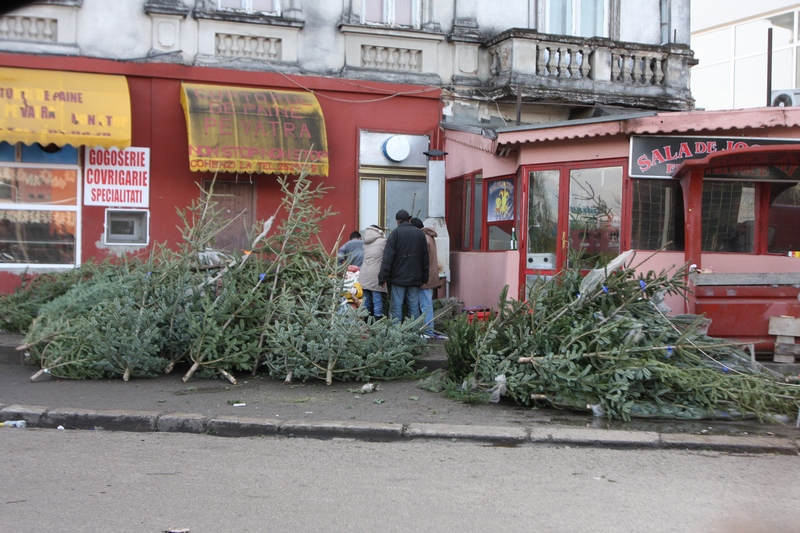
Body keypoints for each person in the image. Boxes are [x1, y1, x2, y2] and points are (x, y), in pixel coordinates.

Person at [379, 209, 428, 324]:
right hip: (415, 277)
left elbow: (388, 258)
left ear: (397, 221)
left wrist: (383, 277)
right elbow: (425, 258)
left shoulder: (395, 234)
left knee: (396, 306)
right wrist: (425, 277)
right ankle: (414, 335)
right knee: (414, 307)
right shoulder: (419, 234)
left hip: (398, 278)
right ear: (410, 220)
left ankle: (396, 336)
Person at [410, 218, 445, 339]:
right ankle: (427, 331)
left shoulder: (423, 239)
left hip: (425, 278)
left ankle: (428, 332)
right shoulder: (428, 237)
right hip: (430, 276)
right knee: (426, 304)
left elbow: (420, 260)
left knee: (425, 305)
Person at [359, 225, 388, 320]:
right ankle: (377, 324)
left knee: (365, 300)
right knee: (377, 300)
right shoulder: (383, 241)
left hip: (364, 273)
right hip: (376, 273)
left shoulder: (365, 242)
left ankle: (365, 324)